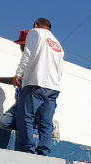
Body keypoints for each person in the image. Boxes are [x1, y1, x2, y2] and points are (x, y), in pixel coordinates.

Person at [14, 18, 64, 156]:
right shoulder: (57, 44)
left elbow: (28, 53)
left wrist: (19, 73)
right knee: (46, 121)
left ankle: (27, 148)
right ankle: (44, 151)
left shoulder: (35, 32)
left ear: (36, 25)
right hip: (53, 86)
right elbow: (60, 69)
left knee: (25, 116)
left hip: (36, 82)